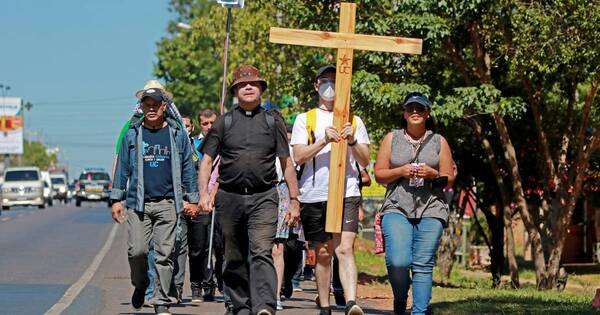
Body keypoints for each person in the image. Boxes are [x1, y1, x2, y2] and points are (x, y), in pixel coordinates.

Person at [199, 64, 300, 315]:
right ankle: (240, 305)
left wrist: (295, 200)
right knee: (233, 255)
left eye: (253, 83)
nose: (248, 87)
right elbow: (207, 162)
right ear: (235, 90)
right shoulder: (224, 122)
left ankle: (265, 306)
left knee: (261, 251)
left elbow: (287, 162)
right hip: (229, 198)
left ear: (261, 89)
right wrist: (203, 194)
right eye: (243, 84)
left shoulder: (272, 120)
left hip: (264, 196)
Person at [111, 85, 199, 315]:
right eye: (146, 105)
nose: (150, 109)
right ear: (141, 107)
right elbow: (122, 168)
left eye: (155, 105)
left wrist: (193, 198)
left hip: (168, 203)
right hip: (138, 204)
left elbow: (188, 167)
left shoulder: (176, 133)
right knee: (137, 251)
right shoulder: (133, 133)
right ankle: (141, 284)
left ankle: (161, 300)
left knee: (165, 254)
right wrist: (116, 198)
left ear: (163, 106)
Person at [290, 65, 370, 315]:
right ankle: (324, 305)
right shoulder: (306, 119)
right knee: (323, 252)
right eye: (325, 81)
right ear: (316, 85)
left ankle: (351, 302)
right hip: (315, 194)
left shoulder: (354, 120)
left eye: (336, 81)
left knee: (345, 248)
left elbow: (366, 160)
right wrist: (323, 140)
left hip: (347, 191)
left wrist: (353, 140)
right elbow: (298, 156)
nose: (330, 86)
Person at [374, 92, 455, 315]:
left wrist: (432, 173)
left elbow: (449, 177)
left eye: (420, 108)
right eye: (411, 108)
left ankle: (419, 311)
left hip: (432, 207)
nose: (415, 112)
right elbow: (379, 175)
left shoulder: (439, 141)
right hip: (397, 206)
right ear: (404, 113)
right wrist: (400, 171)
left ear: (428, 113)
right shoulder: (392, 138)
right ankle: (400, 297)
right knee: (398, 261)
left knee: (423, 263)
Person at [185, 109, 220, 303]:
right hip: (197, 201)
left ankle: (210, 285)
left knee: (214, 247)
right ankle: (196, 285)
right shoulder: (194, 145)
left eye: (212, 123)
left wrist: (214, 193)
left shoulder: (223, 142)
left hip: (218, 200)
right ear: (200, 125)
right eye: (205, 124)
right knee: (197, 247)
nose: (209, 127)